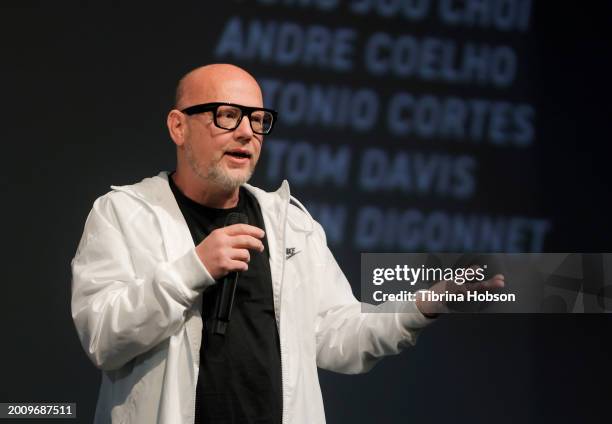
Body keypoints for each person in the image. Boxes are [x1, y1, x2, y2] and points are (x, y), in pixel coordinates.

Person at [71, 64, 504, 424]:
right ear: (178, 126)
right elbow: (103, 337)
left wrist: (421, 307)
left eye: (258, 120)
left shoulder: (289, 223)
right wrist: (193, 269)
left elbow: (339, 335)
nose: (246, 133)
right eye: (227, 115)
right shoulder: (123, 213)